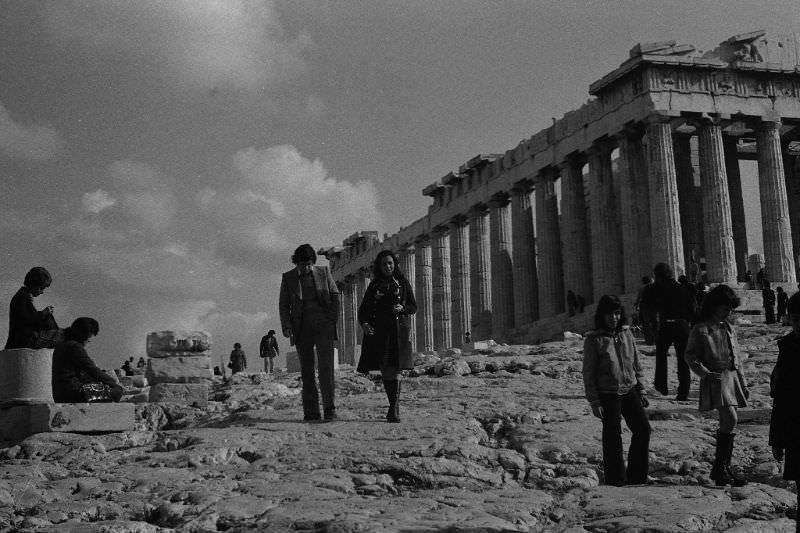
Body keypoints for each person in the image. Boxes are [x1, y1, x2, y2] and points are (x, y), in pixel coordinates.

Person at [684, 284, 750, 487]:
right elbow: (690, 356)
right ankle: (721, 468)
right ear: (713, 306)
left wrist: (743, 381)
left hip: (732, 377)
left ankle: (722, 468)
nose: (728, 313)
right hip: (716, 378)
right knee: (730, 418)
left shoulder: (728, 327)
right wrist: (704, 374)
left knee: (729, 421)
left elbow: (736, 356)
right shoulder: (701, 329)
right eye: (725, 309)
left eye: (731, 309)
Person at [582, 295, 650, 486]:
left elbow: (636, 362)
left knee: (643, 429)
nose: (614, 318)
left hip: (630, 389)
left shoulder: (626, 334)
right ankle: (616, 479)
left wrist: (642, 388)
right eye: (610, 314)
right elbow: (588, 372)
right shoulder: (594, 340)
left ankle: (637, 476)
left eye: (617, 313)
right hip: (607, 392)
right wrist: (594, 401)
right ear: (602, 316)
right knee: (613, 437)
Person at [279, 244, 340, 421]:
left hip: (323, 327)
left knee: (326, 368)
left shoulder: (324, 272)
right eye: (301, 264)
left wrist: (331, 320)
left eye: (308, 264)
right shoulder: (288, 278)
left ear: (313, 262)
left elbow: (335, 295)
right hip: (302, 329)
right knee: (306, 371)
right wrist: (286, 326)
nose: (305, 268)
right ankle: (311, 411)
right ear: (296, 263)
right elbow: (283, 305)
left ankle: (330, 408)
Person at [357, 250, 417, 423]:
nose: (388, 266)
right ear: (379, 266)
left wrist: (403, 309)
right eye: (384, 264)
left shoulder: (403, 283)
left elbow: (413, 306)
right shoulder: (374, 285)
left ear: (395, 264)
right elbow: (363, 310)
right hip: (379, 332)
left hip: (398, 331)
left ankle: (394, 408)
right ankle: (393, 406)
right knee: (385, 368)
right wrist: (364, 323)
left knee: (397, 368)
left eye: (390, 263)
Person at [769, 292, 800, 533]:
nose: (798, 324)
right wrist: (777, 439)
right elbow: (781, 396)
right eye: (795, 318)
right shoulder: (787, 347)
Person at [650, 262, 696, 400]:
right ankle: (683, 392)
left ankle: (661, 387)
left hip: (666, 325)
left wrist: (653, 325)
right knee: (683, 360)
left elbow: (650, 307)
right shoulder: (682, 288)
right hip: (682, 325)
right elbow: (692, 308)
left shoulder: (656, 288)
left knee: (661, 356)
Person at [52, 317, 123, 403]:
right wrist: (113, 382)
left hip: (60, 394)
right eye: (90, 336)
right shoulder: (75, 347)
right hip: (73, 393)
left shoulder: (62, 345)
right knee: (117, 391)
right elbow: (92, 370)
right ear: (84, 334)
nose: (89, 340)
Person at [5, 266, 62, 349]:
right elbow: (25, 320)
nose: (42, 292)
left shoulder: (24, 296)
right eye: (41, 288)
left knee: (51, 323)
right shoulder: (21, 297)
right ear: (33, 284)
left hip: (24, 338)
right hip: (22, 340)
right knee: (62, 336)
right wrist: (43, 313)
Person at [635, 276, 656, 345]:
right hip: (654, 307)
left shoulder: (642, 288)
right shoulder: (654, 286)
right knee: (654, 324)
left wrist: (636, 306)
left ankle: (649, 341)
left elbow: (638, 298)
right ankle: (656, 339)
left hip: (645, 308)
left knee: (646, 325)